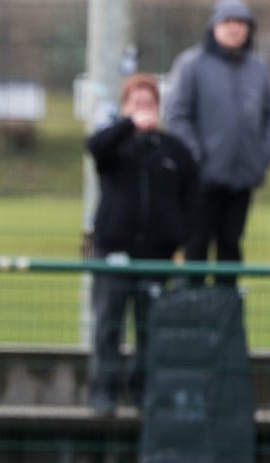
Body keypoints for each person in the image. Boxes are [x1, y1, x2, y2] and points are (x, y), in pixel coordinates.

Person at [86, 75, 198, 416]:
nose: (143, 111)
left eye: (148, 104)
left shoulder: (173, 150)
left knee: (150, 328)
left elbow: (191, 199)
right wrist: (126, 125)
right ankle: (103, 392)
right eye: (135, 104)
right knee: (108, 325)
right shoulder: (113, 146)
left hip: (156, 256)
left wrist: (178, 237)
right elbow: (95, 147)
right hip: (114, 251)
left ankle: (142, 392)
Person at [164, 0, 270, 287]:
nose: (234, 29)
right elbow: (176, 116)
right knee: (196, 247)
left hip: (241, 179)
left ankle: (226, 320)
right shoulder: (191, 64)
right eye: (228, 23)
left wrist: (261, 156)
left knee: (231, 247)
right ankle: (192, 317)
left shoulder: (258, 69)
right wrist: (196, 158)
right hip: (201, 181)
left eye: (240, 24)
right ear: (214, 27)